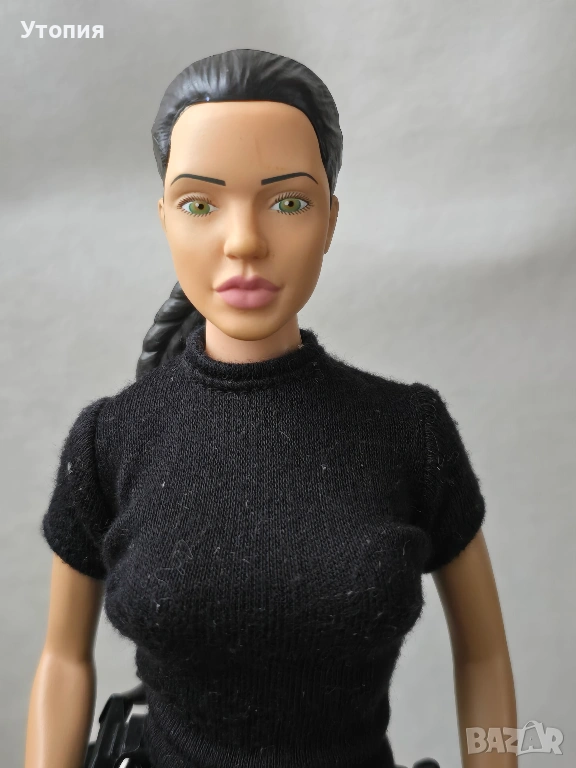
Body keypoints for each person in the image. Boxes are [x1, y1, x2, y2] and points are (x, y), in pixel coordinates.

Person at [25, 49, 517, 768]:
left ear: (330, 218)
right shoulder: (110, 440)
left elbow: (484, 657)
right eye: (200, 204)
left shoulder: (409, 432)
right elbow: (63, 663)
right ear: (164, 217)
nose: (245, 241)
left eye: (288, 202)